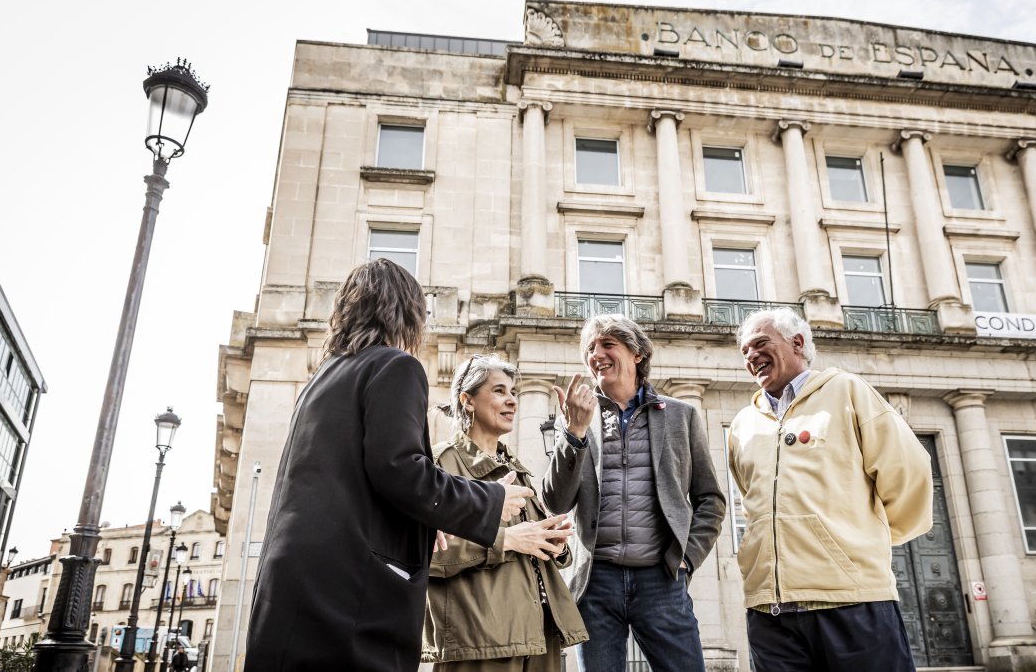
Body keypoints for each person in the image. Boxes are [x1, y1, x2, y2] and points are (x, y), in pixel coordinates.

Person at [244, 258, 535, 672]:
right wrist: (490, 500)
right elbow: (399, 469)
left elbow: (350, 480)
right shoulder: (396, 367)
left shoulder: (321, 380)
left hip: (289, 587)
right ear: (408, 313)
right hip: (349, 595)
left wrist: (422, 522)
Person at [727, 308, 934, 672]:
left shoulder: (847, 390)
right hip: (769, 612)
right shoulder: (743, 424)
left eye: (760, 343)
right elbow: (750, 500)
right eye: (744, 351)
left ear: (798, 343)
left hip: (852, 602)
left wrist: (862, 540)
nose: (751, 356)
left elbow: (908, 471)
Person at [542, 314, 726, 671]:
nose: (597, 354)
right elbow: (556, 502)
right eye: (591, 349)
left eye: (608, 344)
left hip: (661, 580)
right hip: (596, 584)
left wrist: (686, 559)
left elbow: (710, 499)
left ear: (637, 353)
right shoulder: (578, 418)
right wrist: (573, 434)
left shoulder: (681, 415)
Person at [422, 354, 588, 671]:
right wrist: (507, 540)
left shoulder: (518, 469)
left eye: (513, 392)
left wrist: (554, 541)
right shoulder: (440, 465)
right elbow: (424, 553)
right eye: (499, 391)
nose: (512, 400)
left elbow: (533, 546)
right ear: (467, 401)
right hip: (479, 643)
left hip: (540, 637)